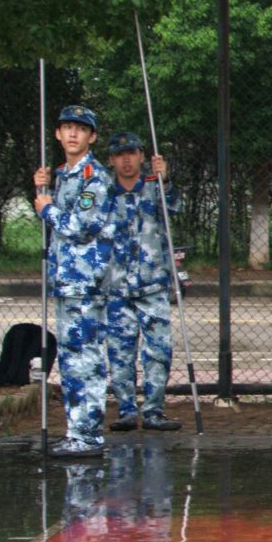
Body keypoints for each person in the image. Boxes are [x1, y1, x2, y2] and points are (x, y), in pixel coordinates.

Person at [33, 104, 116, 459]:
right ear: (57, 133)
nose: (72, 133)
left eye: (80, 129)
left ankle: (88, 435)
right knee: (70, 358)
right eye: (67, 127)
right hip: (67, 281)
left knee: (86, 358)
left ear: (91, 137)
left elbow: (83, 226)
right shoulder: (63, 175)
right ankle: (77, 431)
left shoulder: (94, 177)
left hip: (86, 282)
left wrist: (46, 209)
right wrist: (44, 191)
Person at [102, 131, 182, 433]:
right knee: (120, 352)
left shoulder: (153, 185)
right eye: (119, 155)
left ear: (141, 156)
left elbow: (174, 208)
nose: (126, 160)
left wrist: (165, 179)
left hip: (152, 285)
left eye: (132, 153)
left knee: (158, 351)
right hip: (116, 286)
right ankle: (125, 410)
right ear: (111, 160)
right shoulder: (103, 191)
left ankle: (153, 411)